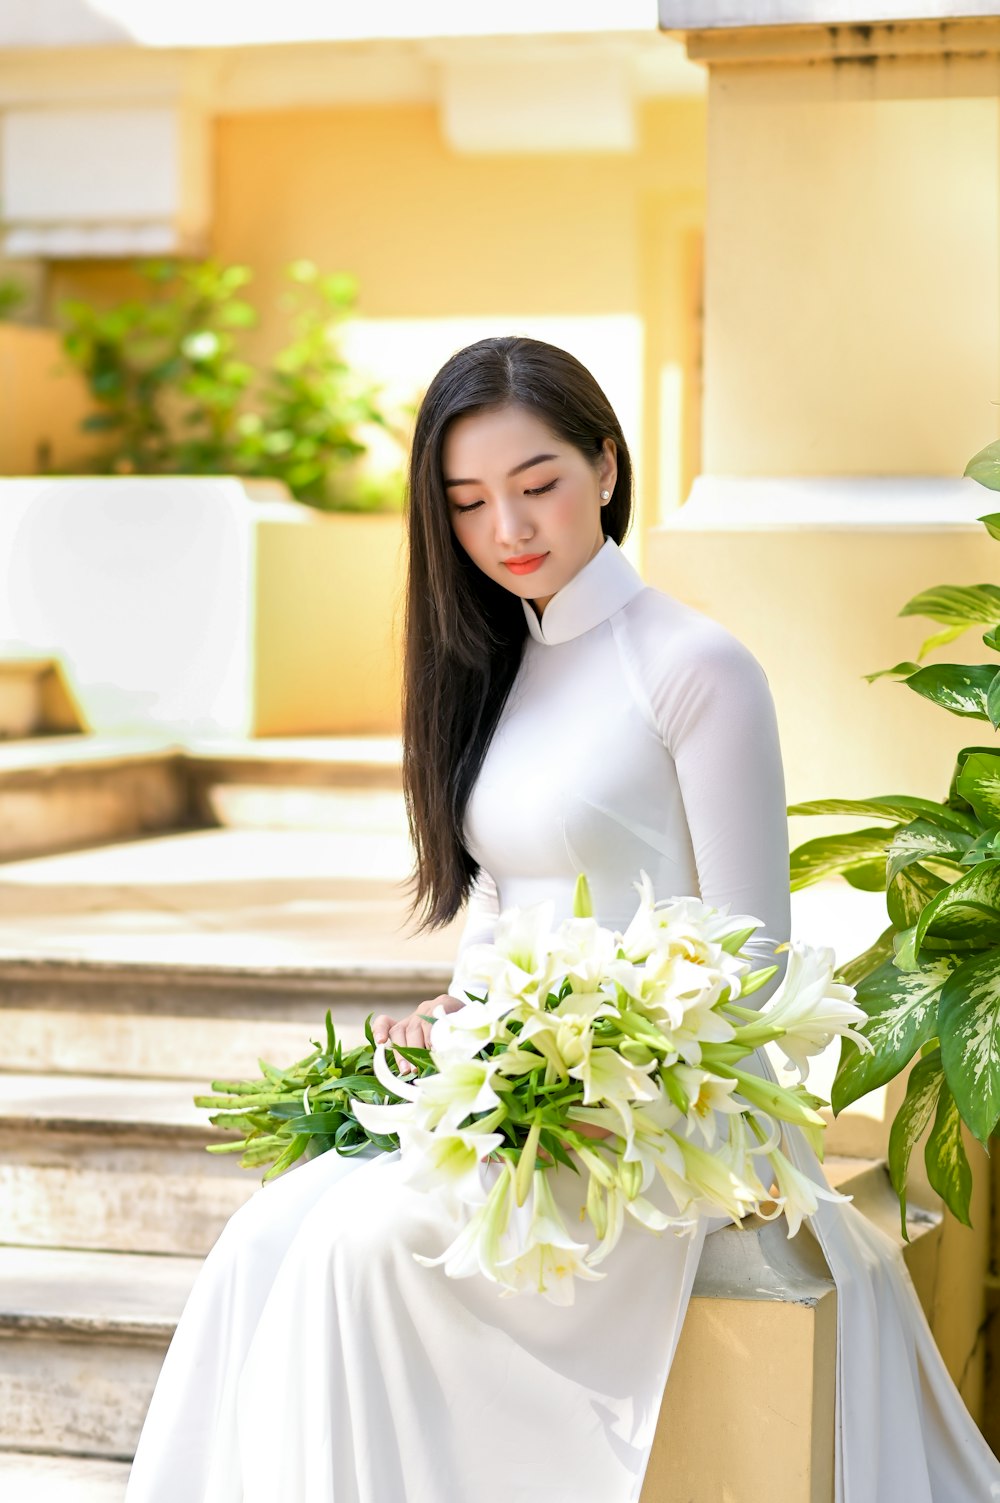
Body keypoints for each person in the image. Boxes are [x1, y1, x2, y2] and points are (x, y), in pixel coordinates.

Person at [124, 336, 1000, 1503]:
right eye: (468, 502)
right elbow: (503, 893)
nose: (507, 530)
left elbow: (756, 958)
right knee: (268, 1235)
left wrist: (605, 1078)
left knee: (361, 1249)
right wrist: (461, 1019)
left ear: (604, 466)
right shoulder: (501, 662)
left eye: (536, 485)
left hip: (669, 1116)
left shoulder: (694, 666)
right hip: (528, 1092)